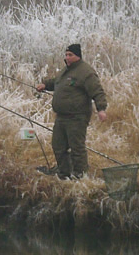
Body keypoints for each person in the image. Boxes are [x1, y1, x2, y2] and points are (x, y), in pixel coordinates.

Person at [35, 43, 107, 179]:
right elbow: (56, 82)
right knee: (58, 146)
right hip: (61, 117)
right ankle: (64, 174)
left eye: (70, 55)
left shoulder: (86, 72)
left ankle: (80, 176)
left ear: (77, 56)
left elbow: (97, 91)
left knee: (77, 148)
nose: (67, 57)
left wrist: (101, 109)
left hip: (77, 118)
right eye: (66, 54)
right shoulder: (65, 71)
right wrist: (45, 85)